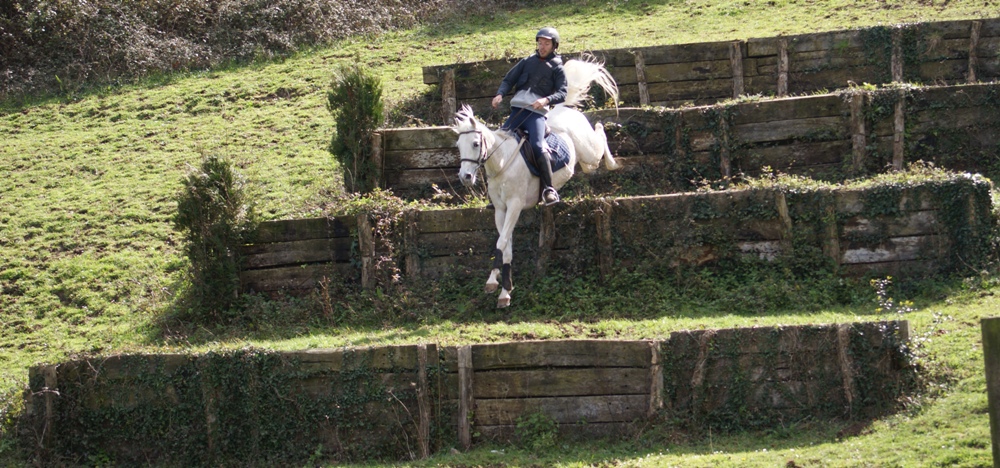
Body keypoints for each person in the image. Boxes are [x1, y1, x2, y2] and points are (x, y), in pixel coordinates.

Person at [491, 27, 568, 206]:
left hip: (537, 114)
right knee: (496, 143)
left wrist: (546, 100)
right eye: (540, 43)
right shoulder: (527, 62)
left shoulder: (557, 67)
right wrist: (500, 94)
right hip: (518, 111)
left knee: (538, 146)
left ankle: (549, 189)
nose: (542, 47)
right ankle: (495, 191)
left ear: (554, 45)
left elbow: (563, 93)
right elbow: (508, 80)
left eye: (546, 44)